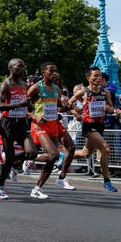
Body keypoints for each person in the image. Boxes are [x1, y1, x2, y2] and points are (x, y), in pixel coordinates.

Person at [27, 62, 77, 199]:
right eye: (50, 71)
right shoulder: (36, 88)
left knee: (53, 157)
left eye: (55, 71)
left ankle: (37, 188)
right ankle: (28, 159)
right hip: (40, 125)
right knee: (54, 154)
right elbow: (24, 107)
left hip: (53, 124)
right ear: (43, 72)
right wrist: (35, 117)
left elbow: (60, 107)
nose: (53, 73)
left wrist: (68, 107)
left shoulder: (56, 89)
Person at [0, 58, 38, 200]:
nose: (22, 69)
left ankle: (11, 163)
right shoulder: (6, 84)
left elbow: (27, 105)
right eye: (19, 67)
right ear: (11, 68)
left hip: (22, 122)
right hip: (8, 123)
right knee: (10, 155)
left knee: (32, 153)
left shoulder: (24, 85)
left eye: (23, 66)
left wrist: (30, 104)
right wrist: (19, 104)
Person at [68, 67, 118, 192]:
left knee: (85, 153)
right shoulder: (83, 92)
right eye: (95, 76)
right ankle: (107, 181)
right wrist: (76, 114)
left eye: (100, 76)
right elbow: (69, 103)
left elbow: (111, 108)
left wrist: (111, 109)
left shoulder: (105, 92)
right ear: (88, 78)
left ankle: (64, 157)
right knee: (105, 149)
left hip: (100, 125)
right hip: (88, 126)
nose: (98, 78)